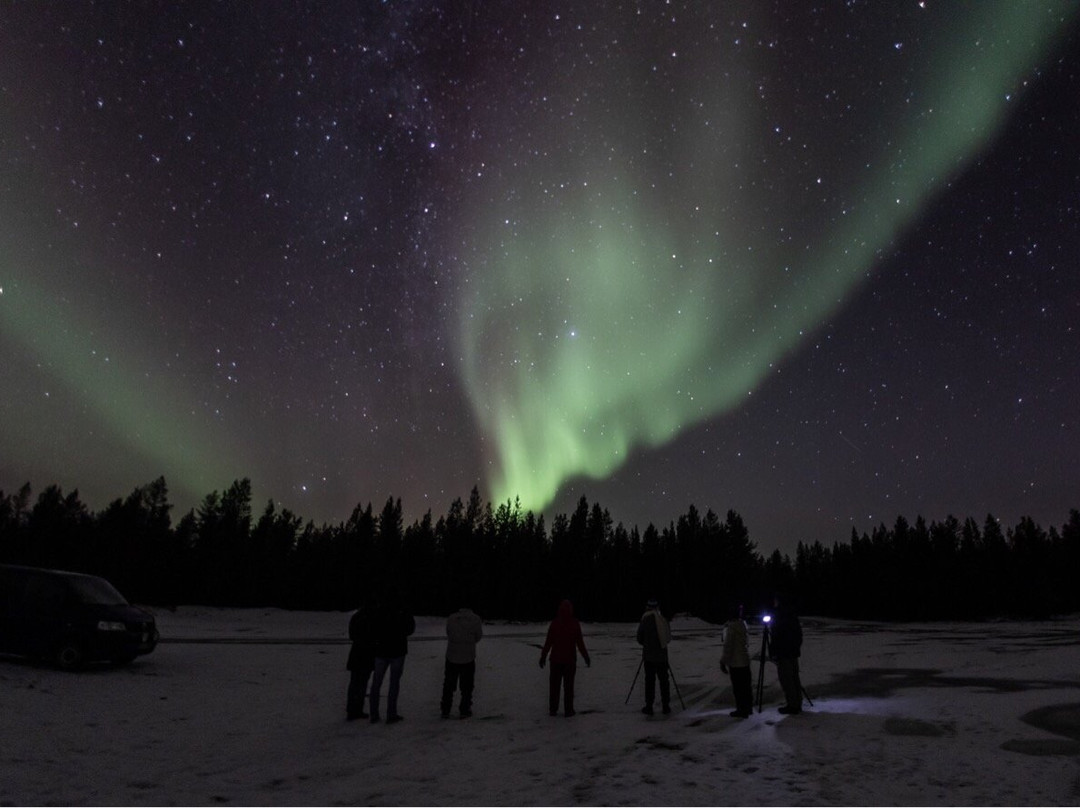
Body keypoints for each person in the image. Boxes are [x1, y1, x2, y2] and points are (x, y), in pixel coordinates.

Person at [370, 588, 416, 724]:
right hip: (397, 650)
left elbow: (373, 628)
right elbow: (410, 629)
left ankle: (374, 714)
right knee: (394, 683)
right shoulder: (403, 611)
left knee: (376, 683)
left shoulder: (379, 610)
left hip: (381, 650)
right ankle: (391, 713)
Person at [539, 599, 590, 717]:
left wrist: (543, 656)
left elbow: (548, 642)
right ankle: (568, 710)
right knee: (569, 687)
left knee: (554, 687)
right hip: (570, 661)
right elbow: (580, 643)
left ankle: (553, 709)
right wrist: (586, 656)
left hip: (556, 661)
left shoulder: (555, 623)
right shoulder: (574, 623)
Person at [441, 602, 483, 719]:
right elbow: (478, 636)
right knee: (467, 685)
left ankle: (445, 708)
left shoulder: (452, 618)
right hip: (468, 656)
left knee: (449, 684)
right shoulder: (476, 619)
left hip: (452, 655)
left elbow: (449, 633)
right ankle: (465, 708)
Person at [635, 598, 671, 715]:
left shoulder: (645, 619)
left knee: (650, 681)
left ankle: (649, 706)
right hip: (662, 657)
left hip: (649, 657)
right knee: (664, 681)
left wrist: (647, 644)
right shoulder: (663, 619)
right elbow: (668, 637)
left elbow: (639, 637)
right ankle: (666, 705)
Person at [769, 594, 804, 715]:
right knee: (794, 678)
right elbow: (799, 635)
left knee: (787, 679)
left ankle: (793, 705)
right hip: (792, 652)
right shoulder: (792, 615)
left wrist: (774, 651)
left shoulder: (780, 616)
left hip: (784, 653)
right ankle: (797, 702)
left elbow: (777, 636)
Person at [345, 595, 376, 720]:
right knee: (361, 683)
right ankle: (356, 709)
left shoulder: (357, 617)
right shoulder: (371, 618)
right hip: (366, 654)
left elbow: (352, 635)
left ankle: (352, 709)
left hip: (357, 653)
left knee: (355, 683)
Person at [720, 602, 752, 718]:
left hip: (735, 662)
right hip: (744, 660)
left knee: (738, 688)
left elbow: (728, 646)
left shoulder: (731, 627)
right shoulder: (743, 625)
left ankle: (741, 709)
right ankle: (747, 707)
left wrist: (723, 661)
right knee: (746, 687)